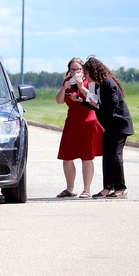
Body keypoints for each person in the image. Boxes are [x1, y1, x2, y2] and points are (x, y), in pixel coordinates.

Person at [82, 56, 134, 199]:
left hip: (120, 124)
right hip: (111, 125)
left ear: (93, 72)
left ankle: (121, 188)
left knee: (115, 155)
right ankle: (107, 188)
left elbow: (112, 107)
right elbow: (97, 105)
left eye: (86, 74)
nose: (86, 77)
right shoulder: (97, 85)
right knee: (108, 156)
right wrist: (81, 100)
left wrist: (95, 105)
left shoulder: (108, 84)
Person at [55, 57, 104, 198]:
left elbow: (95, 101)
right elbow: (59, 101)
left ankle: (86, 189)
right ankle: (69, 188)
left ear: (83, 70)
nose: (75, 72)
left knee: (87, 157)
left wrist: (81, 86)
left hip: (88, 120)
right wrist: (64, 88)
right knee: (67, 156)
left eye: (78, 69)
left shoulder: (91, 81)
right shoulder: (67, 82)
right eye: (72, 69)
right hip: (72, 121)